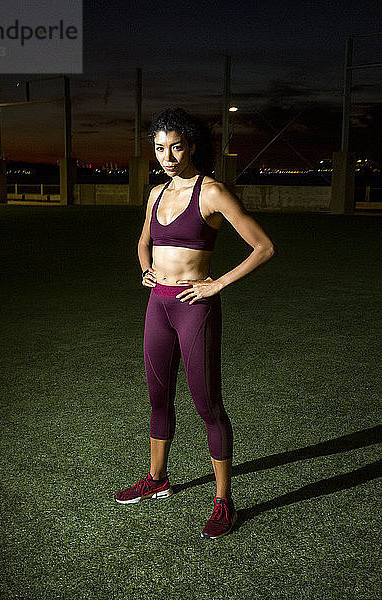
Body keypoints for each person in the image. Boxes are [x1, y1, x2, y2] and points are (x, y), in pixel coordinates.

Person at [115, 107, 277, 539]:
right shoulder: (154, 194)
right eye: (158, 148)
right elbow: (144, 240)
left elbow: (263, 247)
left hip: (194, 304)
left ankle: (224, 502)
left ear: (191, 146)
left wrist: (216, 285)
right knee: (157, 395)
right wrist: (145, 267)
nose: (166, 156)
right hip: (158, 303)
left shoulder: (212, 192)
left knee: (207, 404)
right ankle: (157, 478)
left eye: (175, 147)